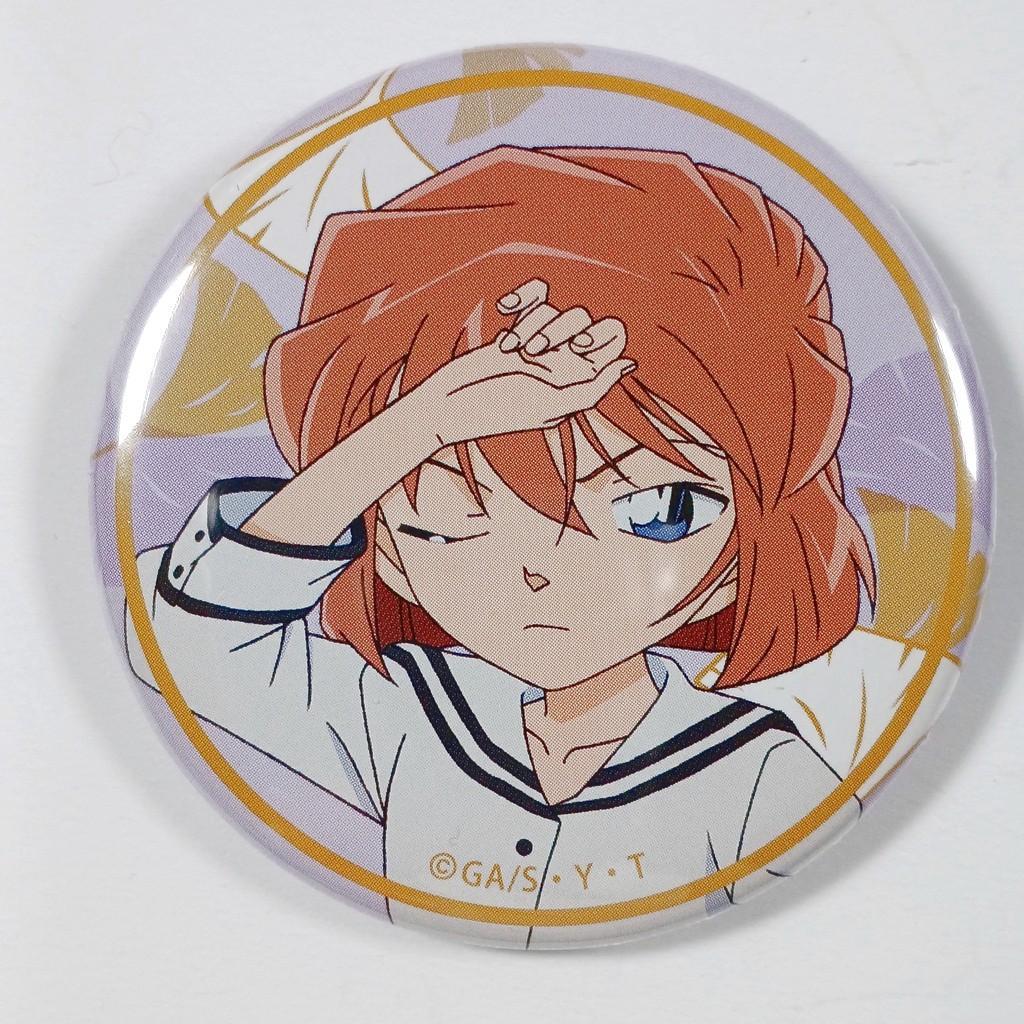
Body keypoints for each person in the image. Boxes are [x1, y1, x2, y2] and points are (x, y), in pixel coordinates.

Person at [128, 146, 872, 947]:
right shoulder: (408, 711)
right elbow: (181, 642)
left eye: (656, 511)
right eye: (451, 512)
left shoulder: (754, 773)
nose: (539, 570)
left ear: (742, 554)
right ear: (389, 548)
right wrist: (419, 425)